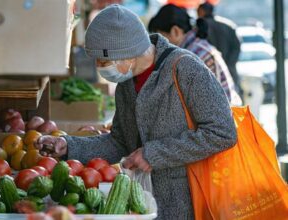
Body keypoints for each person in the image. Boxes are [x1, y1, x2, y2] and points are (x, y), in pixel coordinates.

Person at [37, 5, 237, 219]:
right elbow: (120, 142)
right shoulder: (126, 84)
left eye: (103, 61)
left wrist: (154, 154)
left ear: (128, 53)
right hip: (147, 203)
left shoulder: (186, 69)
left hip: (192, 201)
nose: (100, 68)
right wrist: (69, 145)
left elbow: (223, 132)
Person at [148, 4, 242, 106]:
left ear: (175, 31)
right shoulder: (195, 46)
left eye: (162, 37)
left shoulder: (190, 56)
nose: (159, 46)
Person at [197, 2, 243, 96]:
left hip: (209, 72)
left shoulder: (199, 28)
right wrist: (230, 63)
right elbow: (237, 47)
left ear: (202, 11)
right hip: (229, 70)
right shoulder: (228, 25)